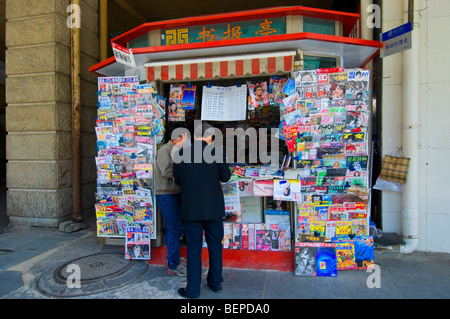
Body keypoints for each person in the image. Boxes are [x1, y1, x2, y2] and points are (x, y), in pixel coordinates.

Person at [173, 121, 231, 298]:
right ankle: (215, 283)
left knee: (193, 249)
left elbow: (177, 180)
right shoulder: (217, 152)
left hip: (191, 210)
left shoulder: (181, 153)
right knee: (215, 246)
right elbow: (226, 177)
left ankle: (192, 290)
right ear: (210, 136)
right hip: (213, 209)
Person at [154, 123, 188, 276]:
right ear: (179, 137)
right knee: (174, 228)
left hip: (175, 192)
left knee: (175, 227)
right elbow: (167, 170)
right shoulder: (164, 151)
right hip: (166, 194)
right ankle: (173, 264)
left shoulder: (177, 150)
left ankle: (174, 258)